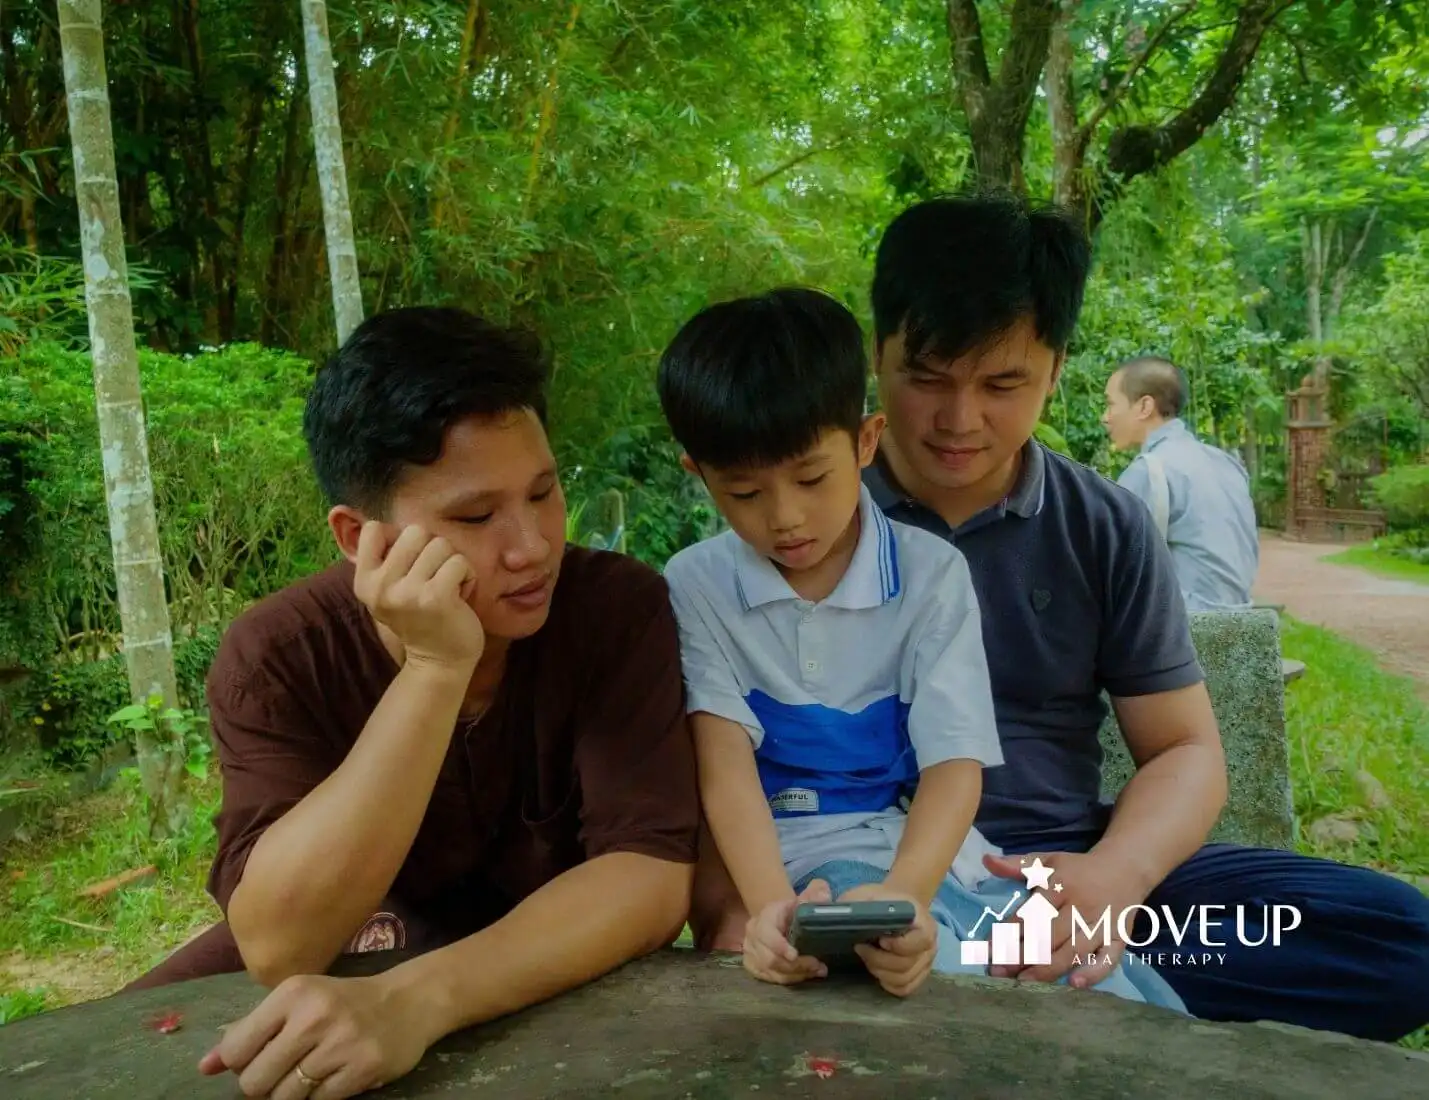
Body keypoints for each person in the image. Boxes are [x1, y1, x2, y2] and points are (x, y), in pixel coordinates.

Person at [690, 191, 1429, 1043]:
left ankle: (1047, 976)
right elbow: (726, 756)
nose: (959, 420)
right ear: (876, 356)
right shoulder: (796, 521)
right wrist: (732, 909)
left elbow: (1186, 750)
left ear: (1056, 367)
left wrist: (1109, 883)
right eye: (924, 379)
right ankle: (1008, 992)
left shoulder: (1098, 524)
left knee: (1393, 942)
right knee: (864, 949)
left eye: (1003, 383)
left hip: (1068, 877)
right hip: (866, 882)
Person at [127, 307, 700, 1098]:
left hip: (536, 956)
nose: (531, 545)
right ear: (360, 538)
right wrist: (435, 667)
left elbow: (648, 876)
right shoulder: (279, 652)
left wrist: (414, 1001)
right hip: (347, 950)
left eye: (543, 492)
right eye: (475, 516)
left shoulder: (614, 611)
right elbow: (280, 943)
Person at [657, 287, 1184, 1011]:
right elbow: (724, 772)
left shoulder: (930, 573)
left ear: (865, 442)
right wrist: (771, 911)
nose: (784, 519)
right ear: (699, 476)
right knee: (921, 979)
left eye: (812, 478)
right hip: (805, 872)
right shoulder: (696, 584)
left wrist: (906, 893)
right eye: (743, 493)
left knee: (1120, 991)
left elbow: (952, 765)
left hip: (938, 862)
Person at [1101, 356, 1259, 611]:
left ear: (1144, 407)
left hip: (1184, 634)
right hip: (1242, 627)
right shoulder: (1225, 464)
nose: (1105, 417)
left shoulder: (1150, 470)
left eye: (1110, 405)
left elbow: (1112, 570)